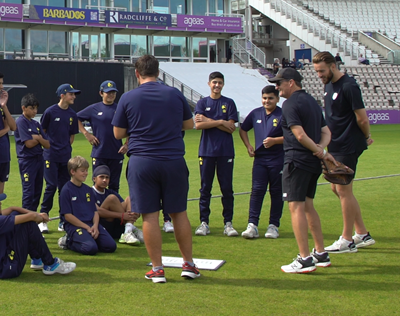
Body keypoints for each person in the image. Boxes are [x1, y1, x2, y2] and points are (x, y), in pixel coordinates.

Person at [112, 54, 200, 283]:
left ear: (137, 73)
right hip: (172, 159)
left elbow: (118, 133)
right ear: (158, 72)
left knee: (149, 215)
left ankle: (158, 269)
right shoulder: (174, 94)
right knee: (178, 213)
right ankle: (189, 264)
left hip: (142, 161)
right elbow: (189, 125)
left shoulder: (128, 97)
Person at [313, 51, 376, 253]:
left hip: (349, 143)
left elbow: (362, 118)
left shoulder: (349, 86)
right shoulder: (328, 85)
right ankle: (362, 233)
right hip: (336, 144)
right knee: (336, 188)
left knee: (343, 189)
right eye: (317, 71)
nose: (319, 75)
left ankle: (347, 239)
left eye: (321, 71)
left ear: (333, 66)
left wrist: (366, 137)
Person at [274, 67, 333, 274]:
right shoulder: (312, 102)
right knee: (308, 205)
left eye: (279, 83)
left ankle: (305, 258)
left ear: (291, 82)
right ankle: (320, 253)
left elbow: (299, 135)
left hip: (296, 160)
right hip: (311, 163)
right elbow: (326, 132)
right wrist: (321, 151)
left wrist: (318, 150)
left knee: (296, 207)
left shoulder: (290, 104)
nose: (277, 87)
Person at [0, 191, 76, 278]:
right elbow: (31, 218)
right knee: (28, 224)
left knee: (17, 217)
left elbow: (13, 209)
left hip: (0, 265)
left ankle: (37, 260)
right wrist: (37, 217)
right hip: (8, 269)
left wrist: (37, 214)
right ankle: (50, 263)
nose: (1, 204)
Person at [194, 72, 240, 237]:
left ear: (223, 84)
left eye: (220, 82)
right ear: (209, 84)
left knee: (226, 188)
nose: (217, 85)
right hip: (206, 152)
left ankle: (228, 223)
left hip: (225, 151)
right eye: (214, 82)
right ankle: (204, 223)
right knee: (205, 188)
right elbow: (198, 126)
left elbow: (231, 127)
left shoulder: (229, 103)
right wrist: (221, 121)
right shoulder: (202, 102)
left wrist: (210, 121)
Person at [238, 85, 285, 240]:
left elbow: (292, 136)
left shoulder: (283, 114)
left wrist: (275, 141)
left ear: (277, 99)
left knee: (276, 192)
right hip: (260, 160)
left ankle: (273, 226)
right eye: (264, 98)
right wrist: (248, 146)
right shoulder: (256, 113)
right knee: (257, 191)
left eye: (270, 98)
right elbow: (243, 129)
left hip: (278, 160)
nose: (267, 101)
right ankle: (252, 225)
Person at [38, 83, 82, 233]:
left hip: (65, 157)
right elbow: (42, 131)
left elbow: (71, 135)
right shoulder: (50, 112)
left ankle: (64, 221)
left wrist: (65, 149)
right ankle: (43, 218)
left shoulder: (72, 115)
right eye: (71, 94)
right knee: (51, 186)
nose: (73, 97)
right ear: (62, 95)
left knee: (64, 188)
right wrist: (50, 147)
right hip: (50, 156)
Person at [58, 156, 117, 255]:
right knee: (90, 249)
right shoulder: (66, 190)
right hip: (75, 226)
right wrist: (86, 227)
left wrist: (95, 226)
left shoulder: (88, 190)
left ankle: (89, 239)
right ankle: (68, 241)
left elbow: (95, 211)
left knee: (111, 246)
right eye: (82, 171)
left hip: (91, 224)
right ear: (73, 172)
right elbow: (68, 216)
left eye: (86, 170)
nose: (86, 173)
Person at [77, 80, 125, 192]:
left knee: (114, 185)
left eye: (113, 92)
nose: (111, 95)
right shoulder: (94, 109)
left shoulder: (120, 109)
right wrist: (86, 134)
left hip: (116, 152)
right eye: (108, 92)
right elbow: (76, 118)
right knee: (98, 184)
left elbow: (130, 126)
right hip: (99, 152)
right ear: (101, 93)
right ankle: (97, 208)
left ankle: (113, 208)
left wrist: (127, 144)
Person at [14, 93, 49, 213]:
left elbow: (47, 144)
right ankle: (25, 220)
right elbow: (28, 143)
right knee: (29, 192)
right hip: (27, 161)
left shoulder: (36, 124)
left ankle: (33, 219)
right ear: (24, 108)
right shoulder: (21, 122)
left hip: (39, 159)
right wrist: (39, 139)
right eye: (32, 108)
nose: (35, 111)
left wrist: (38, 138)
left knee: (37, 191)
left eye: (36, 108)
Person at [91, 164, 141, 244]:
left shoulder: (110, 191)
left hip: (117, 225)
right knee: (112, 198)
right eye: (102, 177)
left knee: (131, 199)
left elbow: (122, 207)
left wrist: (134, 212)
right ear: (94, 179)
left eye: (107, 178)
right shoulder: (89, 192)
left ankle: (128, 230)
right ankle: (131, 228)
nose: (104, 180)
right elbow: (96, 211)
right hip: (102, 227)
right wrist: (121, 215)